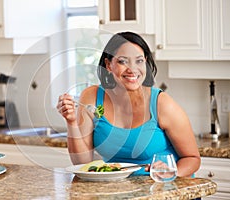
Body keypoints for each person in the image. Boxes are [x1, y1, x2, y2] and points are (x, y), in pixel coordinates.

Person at [57, 32, 200, 177]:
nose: (132, 69)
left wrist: (171, 174)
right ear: (108, 65)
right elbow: (82, 163)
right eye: (123, 61)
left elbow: (192, 159)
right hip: (120, 190)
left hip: (166, 189)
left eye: (139, 61)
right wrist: (71, 122)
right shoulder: (92, 97)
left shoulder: (161, 103)